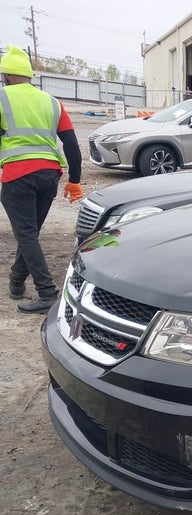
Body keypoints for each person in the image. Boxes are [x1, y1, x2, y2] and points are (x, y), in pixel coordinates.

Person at [0, 45, 83, 314]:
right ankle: (15, 282)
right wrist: (75, 179)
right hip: (49, 176)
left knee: (25, 234)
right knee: (30, 234)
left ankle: (47, 292)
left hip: (17, 176)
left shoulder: (2, 98)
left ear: (6, 75)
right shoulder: (51, 101)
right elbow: (71, 143)